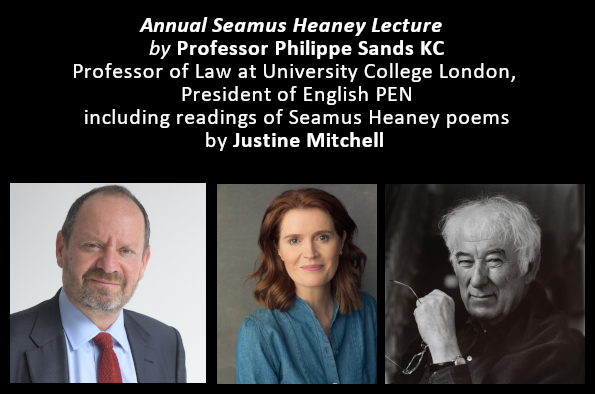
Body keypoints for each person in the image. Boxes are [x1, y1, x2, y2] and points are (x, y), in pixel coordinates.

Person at [392, 195, 584, 384]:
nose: (476, 280)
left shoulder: (563, 352)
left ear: (530, 268)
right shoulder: (449, 320)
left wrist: (445, 353)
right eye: (465, 262)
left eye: (494, 260)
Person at [10, 185, 186, 383]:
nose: (109, 266)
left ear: (144, 262)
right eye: (93, 245)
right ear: (61, 249)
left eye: (126, 250)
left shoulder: (168, 344)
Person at [236, 188, 377, 384]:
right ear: (278, 249)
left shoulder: (369, 311)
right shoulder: (258, 333)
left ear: (341, 242)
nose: (310, 253)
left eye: (322, 237)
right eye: (294, 240)